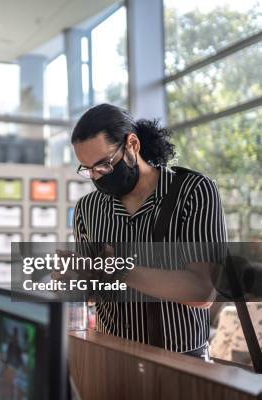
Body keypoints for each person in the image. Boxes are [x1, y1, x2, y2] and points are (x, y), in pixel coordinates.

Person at [70, 104, 226, 358]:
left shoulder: (194, 191)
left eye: (104, 165)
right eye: (87, 169)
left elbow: (203, 291)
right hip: (112, 359)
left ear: (132, 145)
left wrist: (119, 268)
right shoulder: (88, 208)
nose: (97, 177)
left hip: (181, 363)